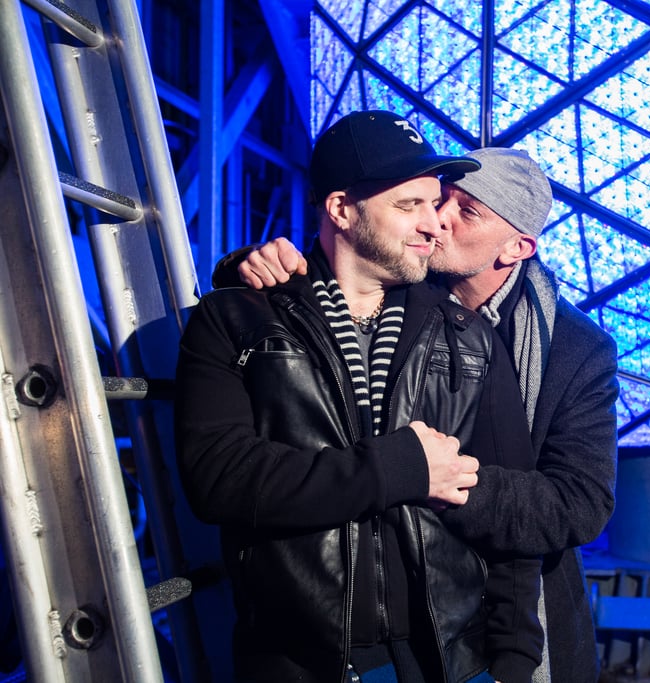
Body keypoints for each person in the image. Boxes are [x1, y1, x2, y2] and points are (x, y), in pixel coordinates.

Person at [175, 110, 544, 683]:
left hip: (449, 662)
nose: (434, 225)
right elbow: (220, 479)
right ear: (342, 209)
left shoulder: (468, 337)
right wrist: (401, 468)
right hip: (300, 661)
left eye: (436, 202)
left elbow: (510, 514)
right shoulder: (235, 320)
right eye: (409, 206)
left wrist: (514, 664)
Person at [228, 147, 620, 682]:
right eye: (441, 201)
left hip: (512, 622)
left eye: (468, 212)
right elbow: (315, 287)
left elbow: (578, 504)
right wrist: (247, 267)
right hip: (373, 621)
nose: (437, 221)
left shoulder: (574, 349)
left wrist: (430, 478)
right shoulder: (392, 282)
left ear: (517, 247)